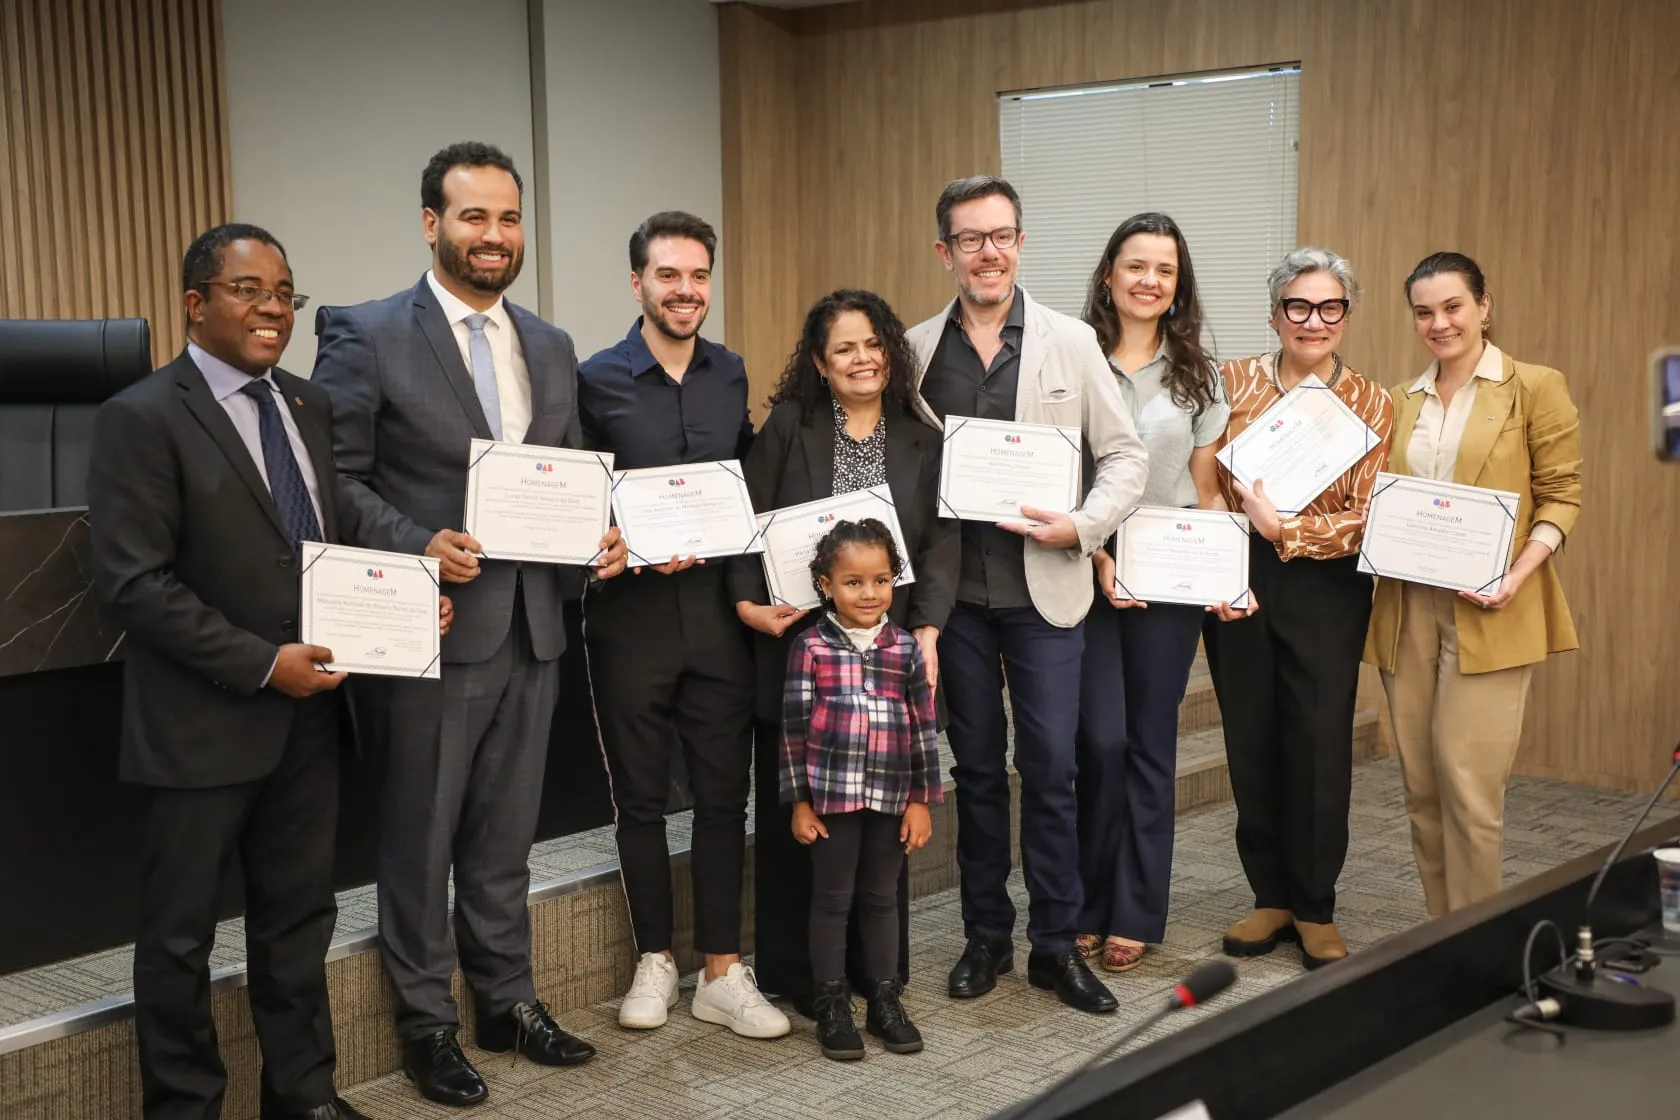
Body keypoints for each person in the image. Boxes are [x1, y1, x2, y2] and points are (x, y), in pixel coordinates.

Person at [88, 223, 454, 1120]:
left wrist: (409, 595)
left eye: (284, 292)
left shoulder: (306, 404)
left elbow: (327, 538)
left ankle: (304, 1097)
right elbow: (134, 585)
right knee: (179, 941)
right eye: (249, 290)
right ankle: (185, 1107)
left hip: (312, 718)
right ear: (195, 304)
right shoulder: (139, 416)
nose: (273, 309)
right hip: (202, 722)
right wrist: (261, 665)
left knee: (297, 923)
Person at [312, 142, 626, 1108]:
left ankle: (507, 999)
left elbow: (564, 474)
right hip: (430, 628)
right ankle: (426, 1023)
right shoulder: (364, 332)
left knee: (504, 839)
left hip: (534, 626)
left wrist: (601, 533)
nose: (495, 236)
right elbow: (337, 478)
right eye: (474, 217)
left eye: (509, 218)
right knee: (421, 836)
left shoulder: (551, 342)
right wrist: (417, 543)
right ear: (431, 224)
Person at [907, 175, 1149, 1014]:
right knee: (976, 772)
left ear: (1021, 242)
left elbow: (1126, 458)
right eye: (971, 238)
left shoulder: (1071, 341)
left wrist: (1080, 526)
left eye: (1003, 234)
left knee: (1050, 769)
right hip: (955, 605)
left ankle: (1056, 944)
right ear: (946, 252)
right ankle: (986, 937)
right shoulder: (913, 351)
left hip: (1047, 593)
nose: (989, 252)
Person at [579, 210, 789, 1040]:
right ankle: (655, 961)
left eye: (699, 275)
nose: (686, 290)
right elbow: (575, 495)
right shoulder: (595, 379)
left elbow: (741, 483)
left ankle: (721, 971)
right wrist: (623, 542)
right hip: (629, 618)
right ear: (638, 283)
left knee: (718, 798)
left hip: (715, 616)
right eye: (669, 275)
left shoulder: (729, 372)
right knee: (637, 800)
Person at [732, 289, 958, 1014]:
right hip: (801, 655)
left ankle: (877, 977)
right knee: (804, 827)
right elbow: (748, 520)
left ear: (889, 350)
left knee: (881, 834)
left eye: (872, 345)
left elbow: (940, 545)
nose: (862, 359)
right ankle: (804, 982)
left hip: (893, 661)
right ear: (821, 366)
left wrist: (926, 628)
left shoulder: (922, 438)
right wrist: (746, 605)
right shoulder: (790, 428)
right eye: (844, 350)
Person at [1365, 252, 1581, 915]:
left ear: (1484, 305)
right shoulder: (1398, 400)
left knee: (1470, 788)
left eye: (1453, 307)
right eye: (1424, 312)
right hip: (1408, 608)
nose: (1439, 323)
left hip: (1495, 607)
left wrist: (1517, 575)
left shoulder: (1534, 386)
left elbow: (1562, 495)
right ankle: (1439, 934)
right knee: (1422, 786)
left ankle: (1476, 945)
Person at [1206, 247, 1394, 971]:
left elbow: (1368, 514)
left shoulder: (1374, 401)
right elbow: (1209, 479)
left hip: (1328, 584)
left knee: (1318, 743)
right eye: (1298, 306)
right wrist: (1234, 545)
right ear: (1275, 311)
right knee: (1249, 735)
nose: (1313, 321)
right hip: (1243, 575)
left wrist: (1290, 531)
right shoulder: (1231, 383)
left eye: (1329, 307)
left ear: (1346, 314)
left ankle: (1316, 904)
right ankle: (1271, 895)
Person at [1072, 213, 1246, 975]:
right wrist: (1096, 551)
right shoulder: (1069, 356)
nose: (1149, 280)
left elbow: (1205, 489)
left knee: (1150, 745)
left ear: (1179, 286)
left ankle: (1136, 910)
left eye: (1164, 269)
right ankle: (1083, 898)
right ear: (1109, 273)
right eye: (1135, 265)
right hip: (1081, 574)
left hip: (1169, 582)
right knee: (1097, 743)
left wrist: (1226, 571)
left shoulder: (1199, 375)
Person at [781, 519, 942, 1061]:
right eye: (853, 582)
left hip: (892, 795)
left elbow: (923, 726)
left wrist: (921, 799)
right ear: (826, 585)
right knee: (831, 899)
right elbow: (794, 731)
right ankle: (830, 1002)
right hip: (831, 798)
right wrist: (799, 801)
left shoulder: (905, 650)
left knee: (880, 897)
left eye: (880, 580)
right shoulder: (809, 648)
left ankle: (884, 999)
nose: (868, 593)